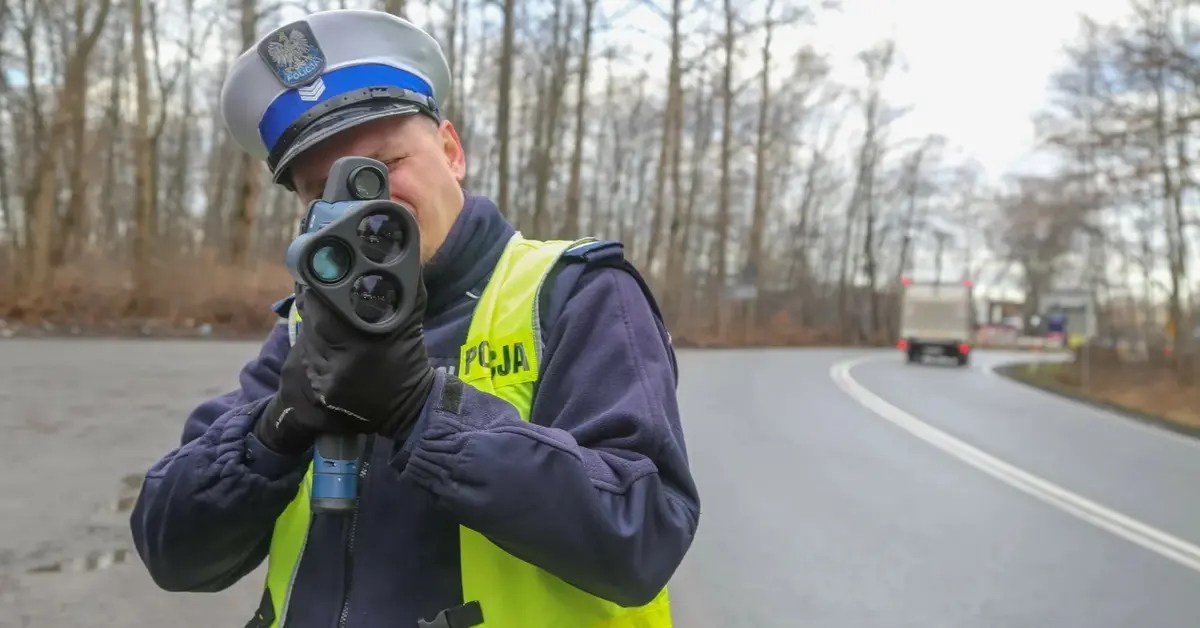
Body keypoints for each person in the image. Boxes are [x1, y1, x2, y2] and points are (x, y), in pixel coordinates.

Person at [128, 8, 701, 628]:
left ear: (451, 151)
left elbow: (644, 536)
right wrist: (272, 433)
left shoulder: (571, 293)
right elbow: (172, 553)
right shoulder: (302, 328)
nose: (362, 205)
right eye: (324, 189)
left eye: (381, 167)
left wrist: (425, 413)